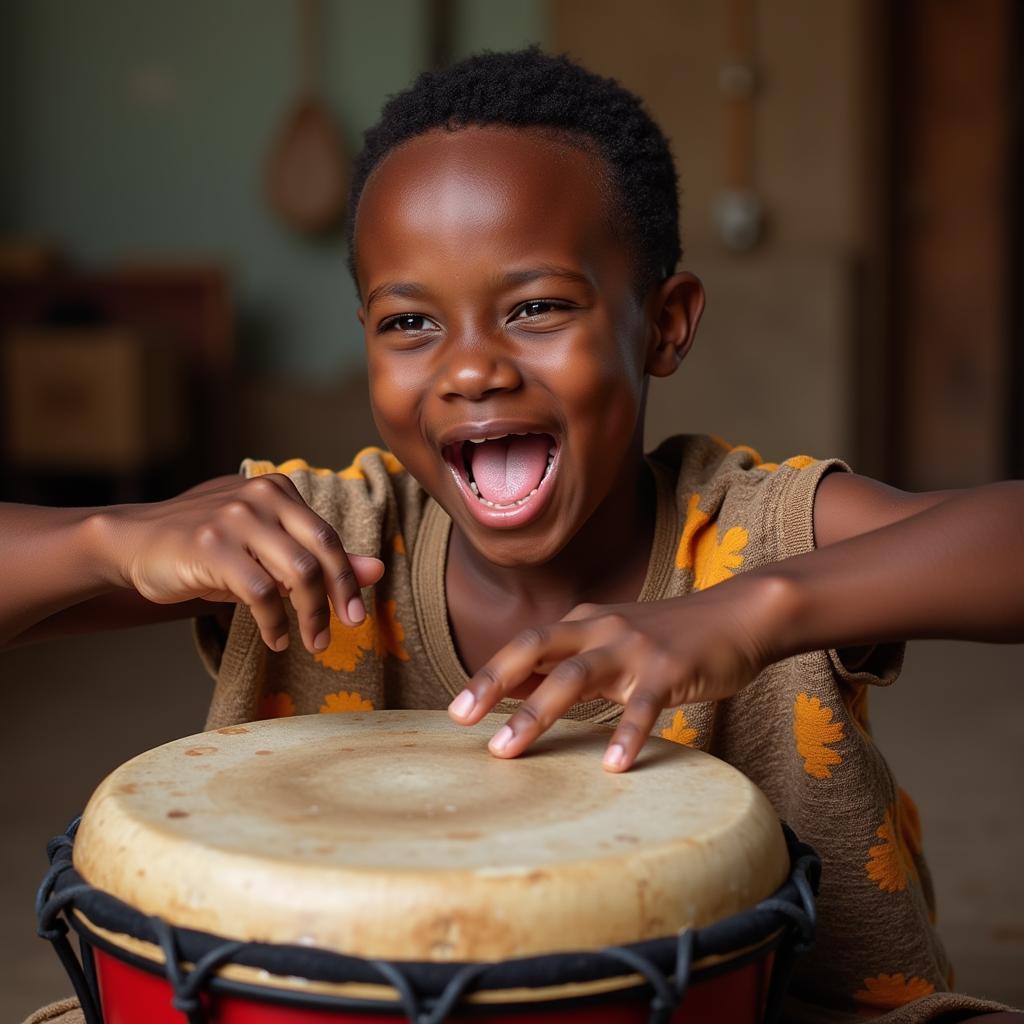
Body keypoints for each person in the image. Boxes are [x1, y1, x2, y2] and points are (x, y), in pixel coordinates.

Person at [4, 49, 1021, 1024]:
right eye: (409, 324)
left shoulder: (754, 534)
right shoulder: (314, 536)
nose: (470, 369)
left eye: (535, 307)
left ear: (664, 323)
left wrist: (756, 611)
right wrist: (106, 537)